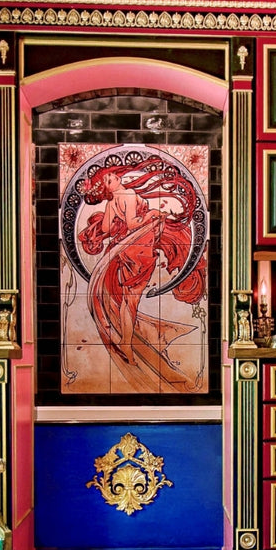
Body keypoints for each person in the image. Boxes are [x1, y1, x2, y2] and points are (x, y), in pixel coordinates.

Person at [77, 156, 206, 392]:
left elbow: (106, 229)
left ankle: (126, 343)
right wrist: (151, 215)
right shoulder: (126, 196)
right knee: (131, 302)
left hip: (124, 248)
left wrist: (105, 228)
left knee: (128, 300)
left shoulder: (112, 203)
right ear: (106, 188)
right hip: (138, 249)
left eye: (111, 175)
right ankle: (127, 345)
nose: (112, 177)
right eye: (107, 179)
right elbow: (134, 223)